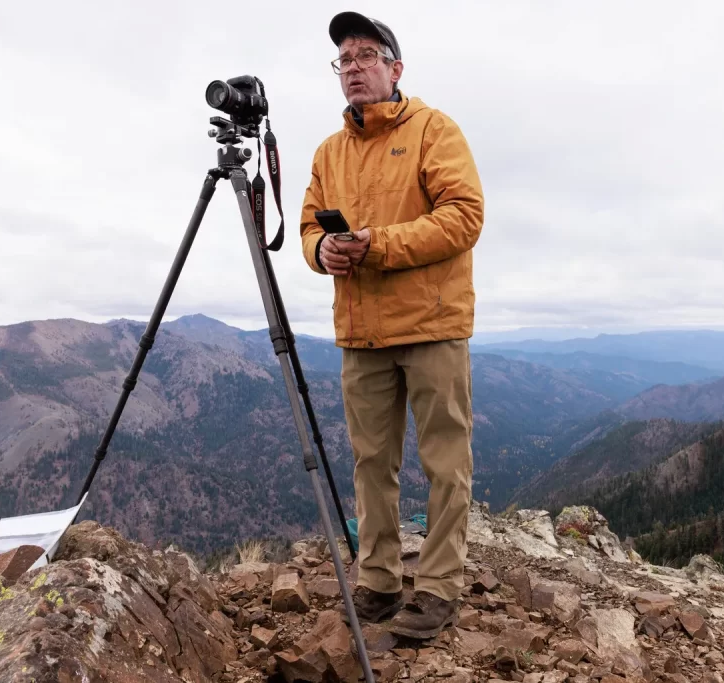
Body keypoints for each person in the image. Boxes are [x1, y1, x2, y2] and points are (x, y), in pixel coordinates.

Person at [298, 11, 485, 639]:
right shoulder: (330, 151)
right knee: (370, 462)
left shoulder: (435, 130)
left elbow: (464, 216)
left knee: (444, 462)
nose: (352, 68)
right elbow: (306, 229)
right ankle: (377, 578)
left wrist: (376, 244)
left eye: (365, 56)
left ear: (394, 68)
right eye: (343, 60)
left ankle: (436, 588)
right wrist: (321, 252)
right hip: (361, 329)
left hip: (432, 325)